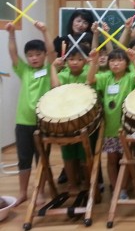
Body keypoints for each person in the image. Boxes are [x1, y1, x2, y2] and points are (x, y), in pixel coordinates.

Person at [6, 20, 56, 206]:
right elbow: (13, 54)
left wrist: (45, 31)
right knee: (23, 158)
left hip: (42, 122)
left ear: (44, 55)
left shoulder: (48, 68)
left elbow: (53, 52)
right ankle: (22, 193)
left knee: (41, 158)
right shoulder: (24, 70)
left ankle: (40, 191)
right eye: (30, 55)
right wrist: (11, 34)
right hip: (23, 122)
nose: (34, 58)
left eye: (38, 54)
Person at [86, 47, 135, 199]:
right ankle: (115, 187)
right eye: (112, 60)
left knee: (126, 160)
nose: (115, 64)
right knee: (112, 160)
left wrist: (134, 60)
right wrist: (94, 61)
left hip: (128, 128)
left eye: (119, 60)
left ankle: (123, 188)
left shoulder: (130, 77)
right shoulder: (106, 77)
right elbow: (90, 79)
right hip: (110, 129)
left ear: (126, 63)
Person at [50, 45, 92, 195]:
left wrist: (92, 64)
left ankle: (88, 183)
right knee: (68, 156)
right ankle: (72, 183)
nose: (74, 62)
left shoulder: (88, 72)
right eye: (71, 59)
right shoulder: (63, 74)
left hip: (85, 121)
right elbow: (55, 87)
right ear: (66, 61)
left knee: (85, 155)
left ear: (85, 61)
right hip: (66, 121)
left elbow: (91, 81)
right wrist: (53, 67)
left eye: (79, 59)